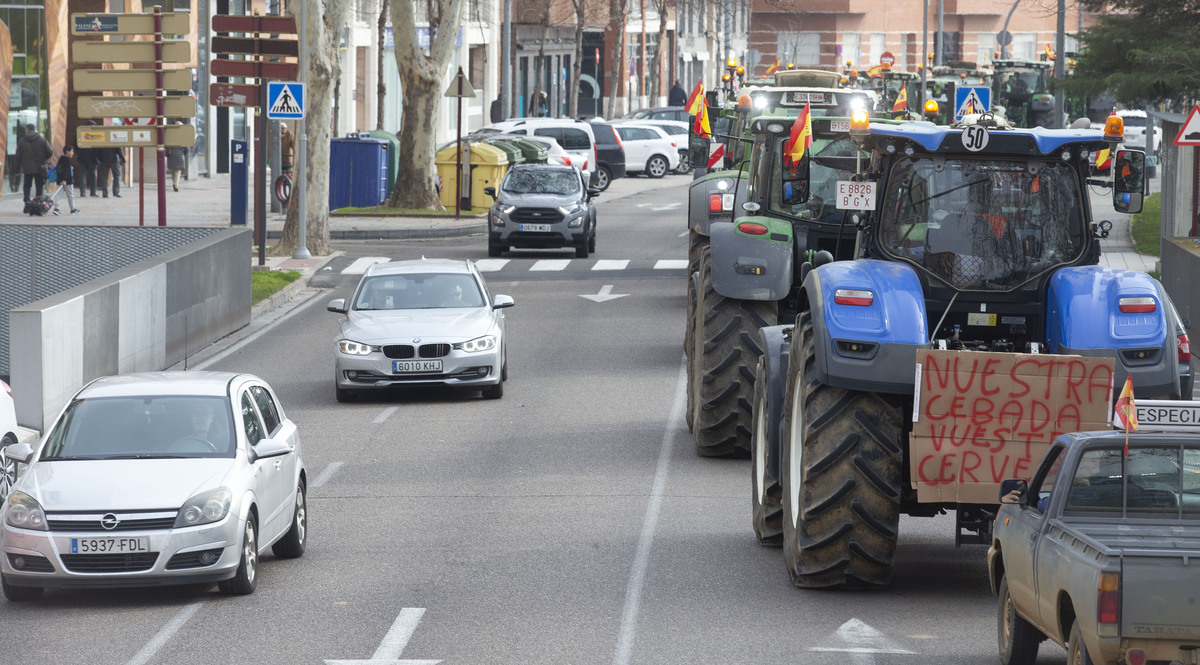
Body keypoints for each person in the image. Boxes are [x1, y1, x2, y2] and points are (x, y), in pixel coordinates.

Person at [15, 123, 53, 203]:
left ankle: (27, 201)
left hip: (27, 168)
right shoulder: (41, 139)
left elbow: (18, 156)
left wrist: (17, 169)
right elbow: (50, 152)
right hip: (39, 167)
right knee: (39, 186)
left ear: (27, 130)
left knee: (27, 186)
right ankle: (38, 202)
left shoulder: (22, 140)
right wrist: (44, 159)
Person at [48, 145, 80, 215]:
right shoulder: (67, 160)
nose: (73, 153)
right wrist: (64, 179)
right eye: (71, 151)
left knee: (58, 195)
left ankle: (56, 208)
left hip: (59, 180)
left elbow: (60, 169)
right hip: (67, 180)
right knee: (70, 195)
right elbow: (65, 170)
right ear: (67, 152)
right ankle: (73, 209)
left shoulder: (61, 159)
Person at [167, 126, 188, 192]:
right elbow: (186, 149)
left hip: (171, 156)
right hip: (180, 156)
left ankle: (174, 183)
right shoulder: (183, 137)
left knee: (173, 171)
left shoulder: (170, 137)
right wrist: (183, 153)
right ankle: (175, 184)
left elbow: (166, 146)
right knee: (178, 171)